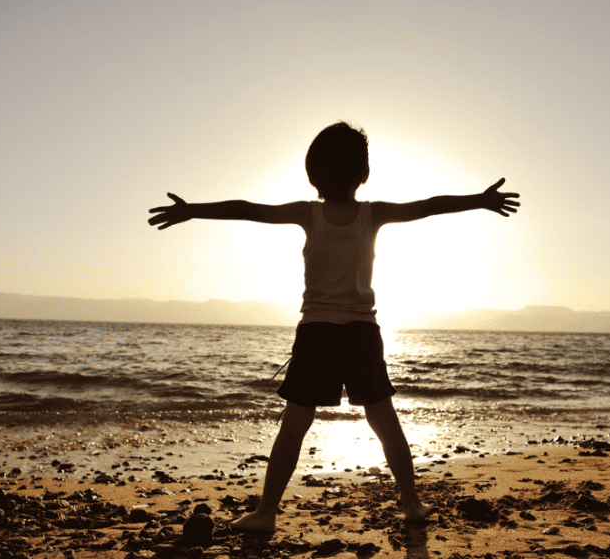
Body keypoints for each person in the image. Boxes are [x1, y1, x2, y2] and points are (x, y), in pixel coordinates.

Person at [147, 121, 519, 533]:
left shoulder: (308, 214)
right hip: (361, 333)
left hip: (317, 333)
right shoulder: (373, 214)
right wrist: (480, 200)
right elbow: (429, 204)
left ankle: (267, 513)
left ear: (313, 173)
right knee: (384, 421)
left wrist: (192, 210)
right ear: (363, 174)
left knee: (295, 425)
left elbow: (248, 209)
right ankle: (411, 504)